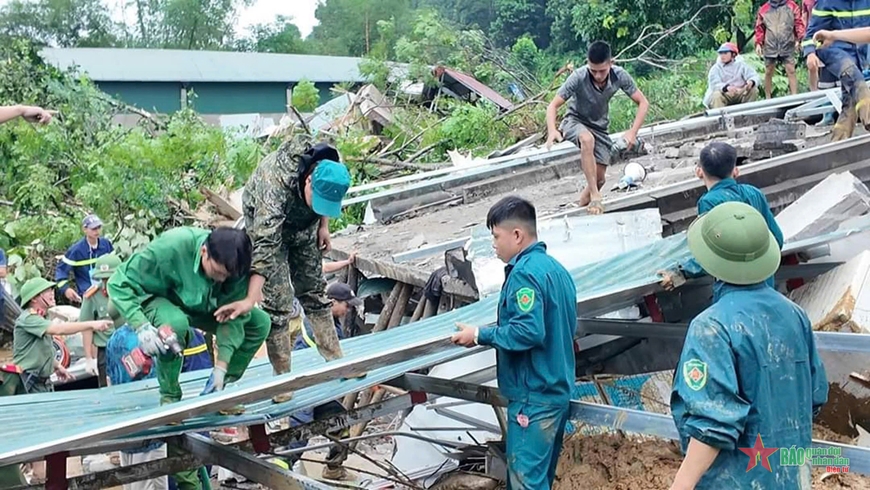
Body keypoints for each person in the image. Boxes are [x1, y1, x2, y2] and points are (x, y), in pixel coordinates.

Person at [669, 202, 828, 490]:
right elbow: (814, 397)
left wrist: (680, 485)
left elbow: (712, 426)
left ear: (710, 261)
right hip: (790, 477)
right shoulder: (795, 315)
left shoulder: (711, 327)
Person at [452, 196, 577, 490]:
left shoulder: (524, 275)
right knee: (537, 481)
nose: (493, 244)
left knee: (526, 484)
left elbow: (528, 331)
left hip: (533, 397)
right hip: (554, 390)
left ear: (517, 235)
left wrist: (480, 335)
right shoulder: (556, 270)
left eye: (496, 236)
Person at [241, 139, 359, 404]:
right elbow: (265, 243)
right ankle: (282, 379)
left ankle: (335, 359)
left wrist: (323, 225)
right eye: (318, 201)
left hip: (303, 225)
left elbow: (327, 197)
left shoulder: (332, 170)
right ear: (308, 182)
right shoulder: (275, 184)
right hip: (268, 228)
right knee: (279, 304)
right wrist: (255, 287)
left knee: (315, 291)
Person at [659, 142, 784, 301]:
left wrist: (680, 271)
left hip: (734, 290)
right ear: (735, 170)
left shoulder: (709, 202)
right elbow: (777, 240)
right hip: (765, 285)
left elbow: (712, 252)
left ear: (699, 172)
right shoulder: (754, 193)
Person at [545, 40, 649, 215]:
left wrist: (633, 132)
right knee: (587, 139)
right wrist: (552, 130)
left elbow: (643, 102)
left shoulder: (619, 76)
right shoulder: (578, 77)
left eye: (602, 71)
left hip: (600, 128)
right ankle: (595, 195)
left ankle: (582, 207)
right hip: (574, 121)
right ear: (587, 64)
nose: (598, 76)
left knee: (599, 179)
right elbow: (552, 105)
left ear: (611, 64)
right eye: (593, 71)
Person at [282, 294, 353, 481]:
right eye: (346, 305)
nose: (348, 310)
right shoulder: (318, 326)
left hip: (320, 388)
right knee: (300, 434)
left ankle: (333, 468)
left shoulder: (331, 322)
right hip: (304, 387)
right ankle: (276, 472)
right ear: (333, 302)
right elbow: (335, 360)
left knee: (341, 425)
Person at [13, 277, 111, 393]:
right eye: (47, 291)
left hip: (43, 381)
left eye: (52, 290)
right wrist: (92, 324)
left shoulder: (43, 317)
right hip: (29, 382)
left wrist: (57, 366)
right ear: (34, 298)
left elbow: (42, 350)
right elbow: (59, 329)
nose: (52, 293)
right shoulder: (28, 319)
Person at [803, 0, 870, 141]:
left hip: (858, 55)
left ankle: (838, 143)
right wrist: (810, 53)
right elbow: (811, 35)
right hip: (834, 51)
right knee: (855, 79)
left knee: (850, 103)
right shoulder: (826, 2)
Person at [79, 254, 124, 387]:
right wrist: (89, 358)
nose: (106, 282)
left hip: (129, 346)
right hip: (106, 350)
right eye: (103, 279)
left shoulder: (128, 290)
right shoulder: (93, 295)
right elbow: (86, 326)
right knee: (107, 387)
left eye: (110, 278)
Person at [56, 214, 114, 304]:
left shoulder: (106, 244)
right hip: (88, 296)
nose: (97, 231)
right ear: (85, 229)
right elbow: (61, 270)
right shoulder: (76, 250)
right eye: (93, 228)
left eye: (99, 227)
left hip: (108, 293)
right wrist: (66, 289)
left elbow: (115, 265)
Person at [755, 0, 804, 98]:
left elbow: (798, 23)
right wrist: (758, 43)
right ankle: (768, 97)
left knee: (791, 70)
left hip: (787, 42)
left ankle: (794, 96)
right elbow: (759, 28)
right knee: (769, 71)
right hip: (770, 44)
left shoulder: (792, 6)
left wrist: (799, 39)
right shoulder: (764, 9)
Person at [704, 43, 761, 109]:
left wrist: (751, 81)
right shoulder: (716, 68)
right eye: (721, 53)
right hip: (725, 94)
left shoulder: (741, 65)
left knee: (753, 90)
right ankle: (721, 116)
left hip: (740, 92)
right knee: (716, 95)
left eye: (725, 53)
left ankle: (747, 113)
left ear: (733, 54)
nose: (722, 56)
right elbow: (714, 84)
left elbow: (754, 76)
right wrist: (727, 88)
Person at [803, 0, 820, 91]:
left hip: (827, 32)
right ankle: (814, 93)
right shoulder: (806, 1)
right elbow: (804, 18)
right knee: (812, 66)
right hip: (811, 34)